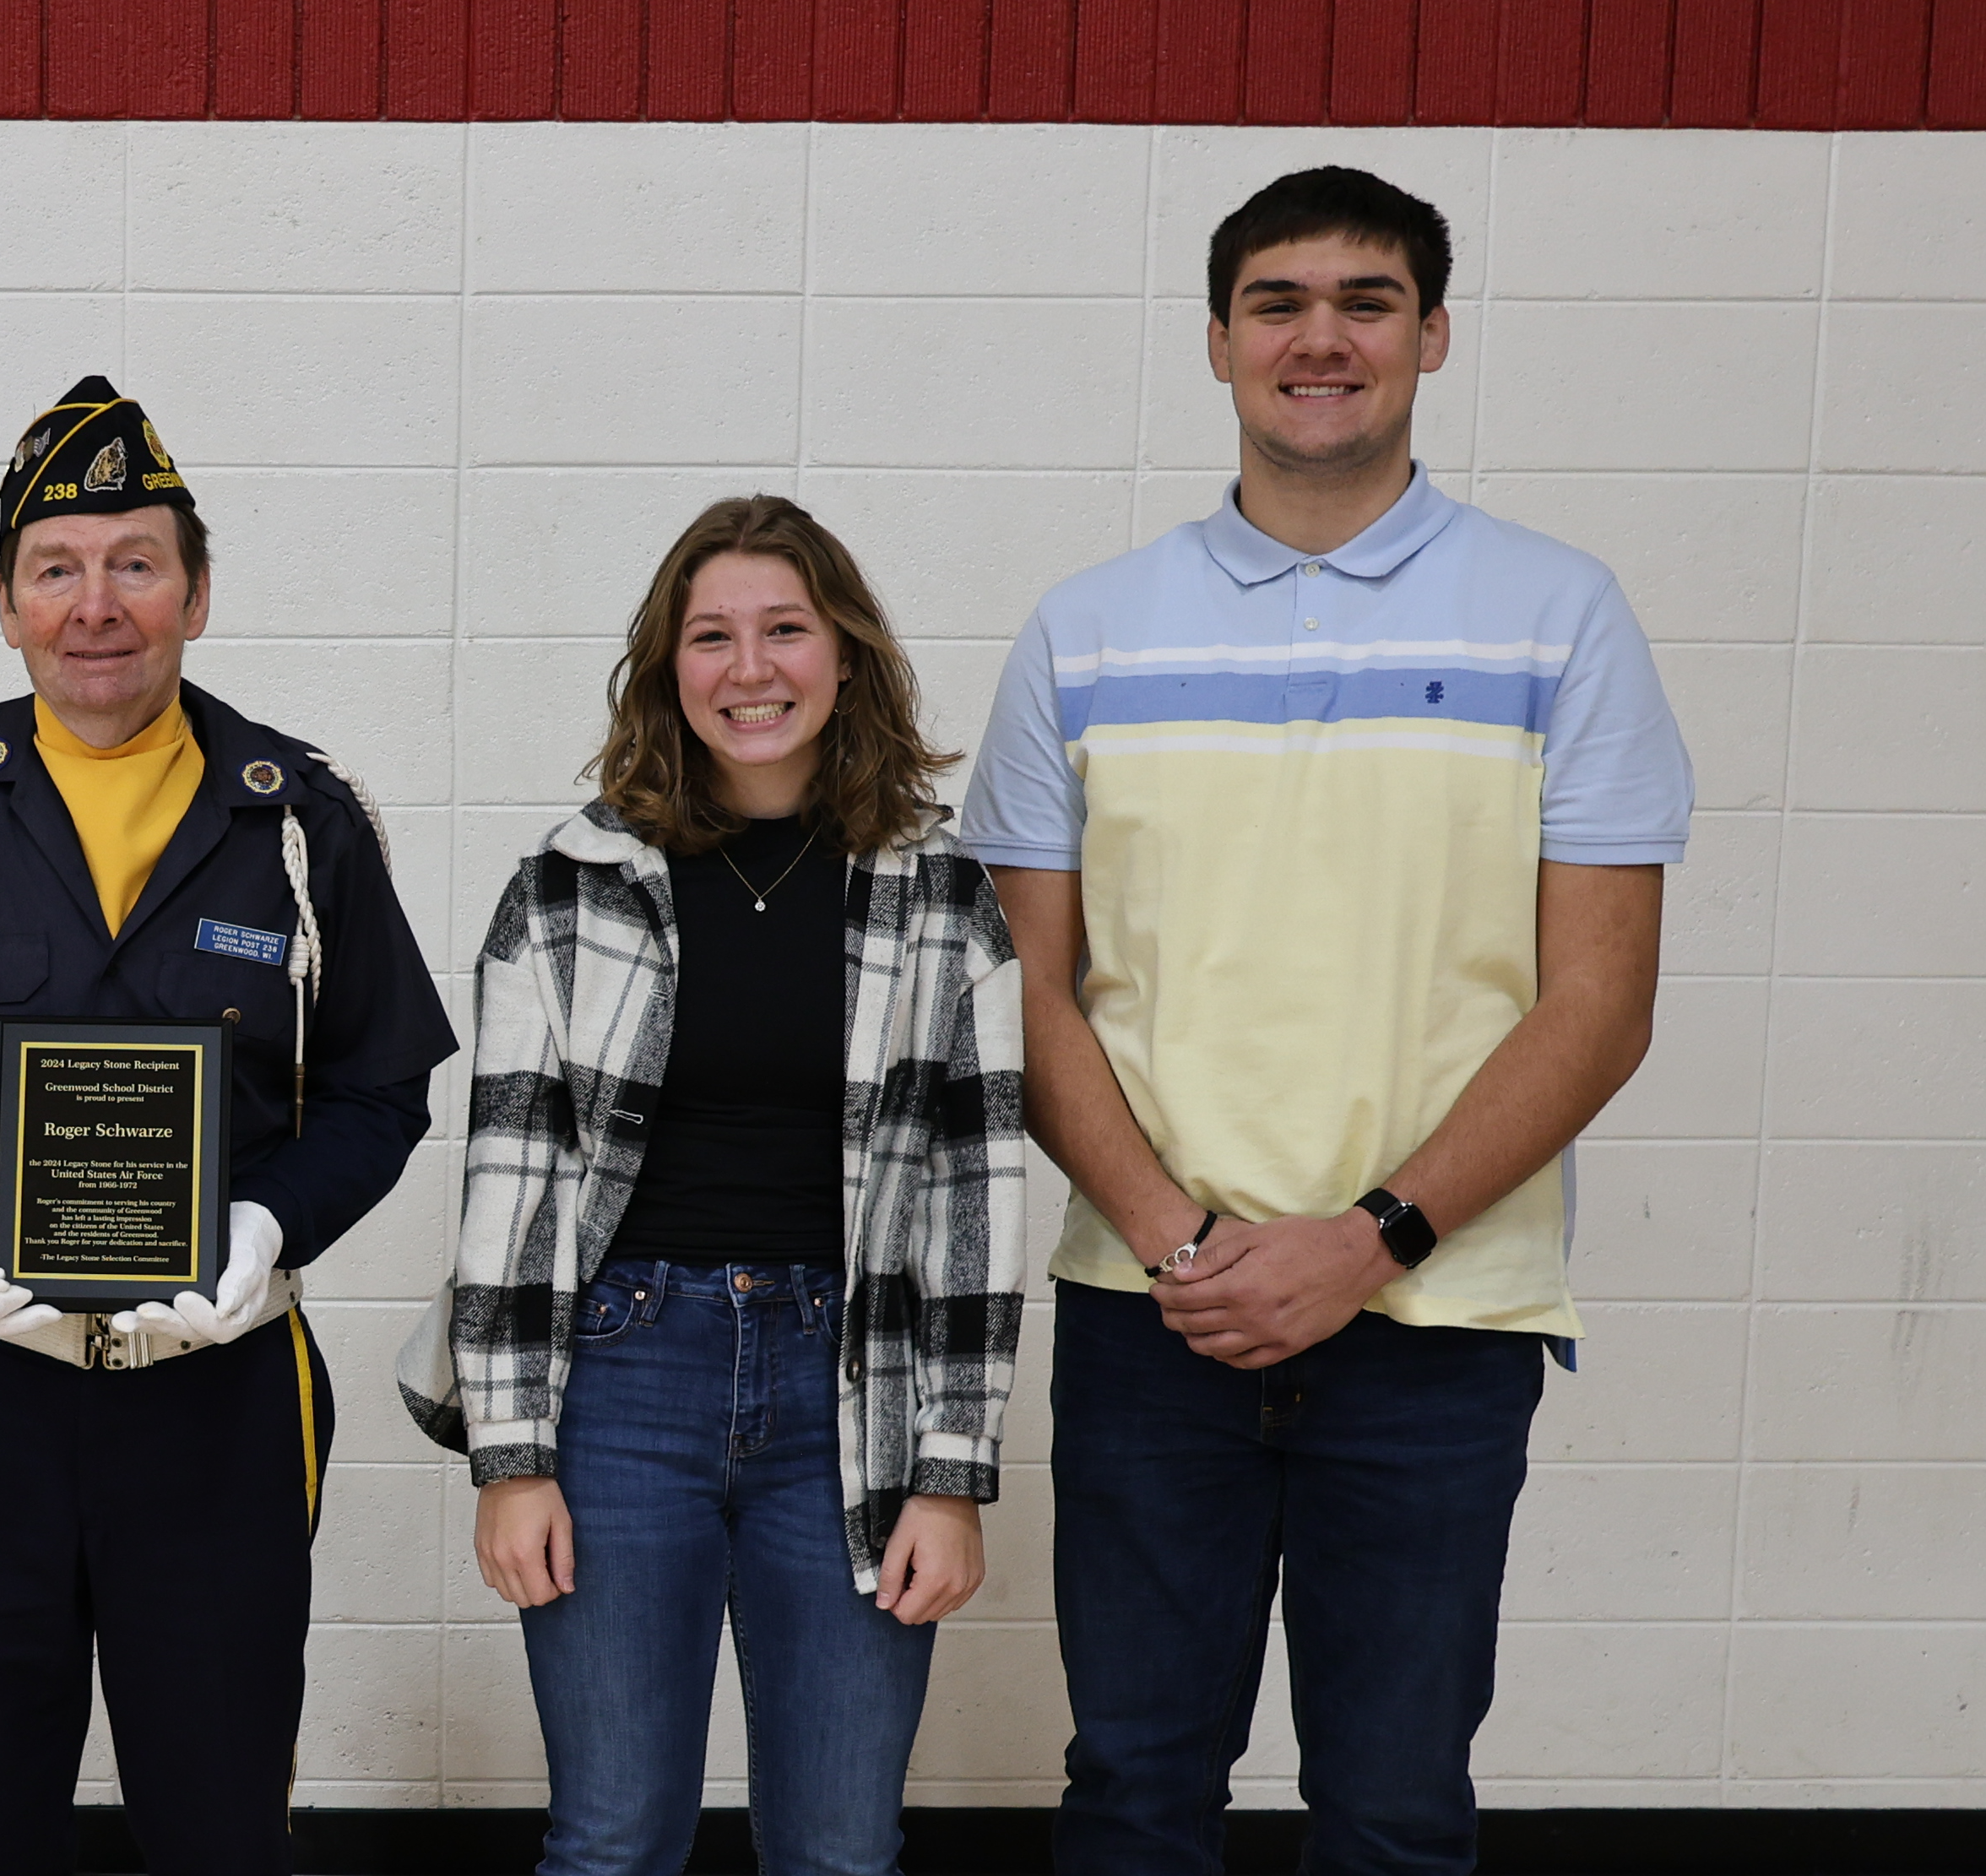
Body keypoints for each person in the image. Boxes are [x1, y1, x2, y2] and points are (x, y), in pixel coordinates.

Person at [968, 169, 1690, 1876]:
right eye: (1279, 302)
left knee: (1392, 1808)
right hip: (1160, 1318)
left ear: (1433, 337)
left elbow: (1600, 1002)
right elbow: (1026, 987)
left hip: (1441, 1318)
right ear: (1217, 340)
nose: (1322, 337)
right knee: (1138, 1788)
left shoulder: (1560, 616)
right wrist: (1188, 1244)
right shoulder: (1086, 634)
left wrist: (1368, 1240)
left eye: (1367, 302)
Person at [0, 376, 459, 1876]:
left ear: (197, 593)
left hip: (218, 1402)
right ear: (10, 606)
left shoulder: (297, 815)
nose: (99, 604)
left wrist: (272, 1226)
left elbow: (378, 1087)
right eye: (58, 568)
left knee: (222, 1820)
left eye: (136, 563)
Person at [410, 496, 1026, 1876]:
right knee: (617, 1834)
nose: (751, 669)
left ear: (847, 656)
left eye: (786, 630)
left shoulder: (941, 897)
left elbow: (973, 1201)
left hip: (848, 1394)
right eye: (711, 636)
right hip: (623, 1383)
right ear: (666, 670)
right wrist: (512, 1460)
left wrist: (953, 1472)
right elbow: (508, 1186)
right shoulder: (569, 889)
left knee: (841, 1845)